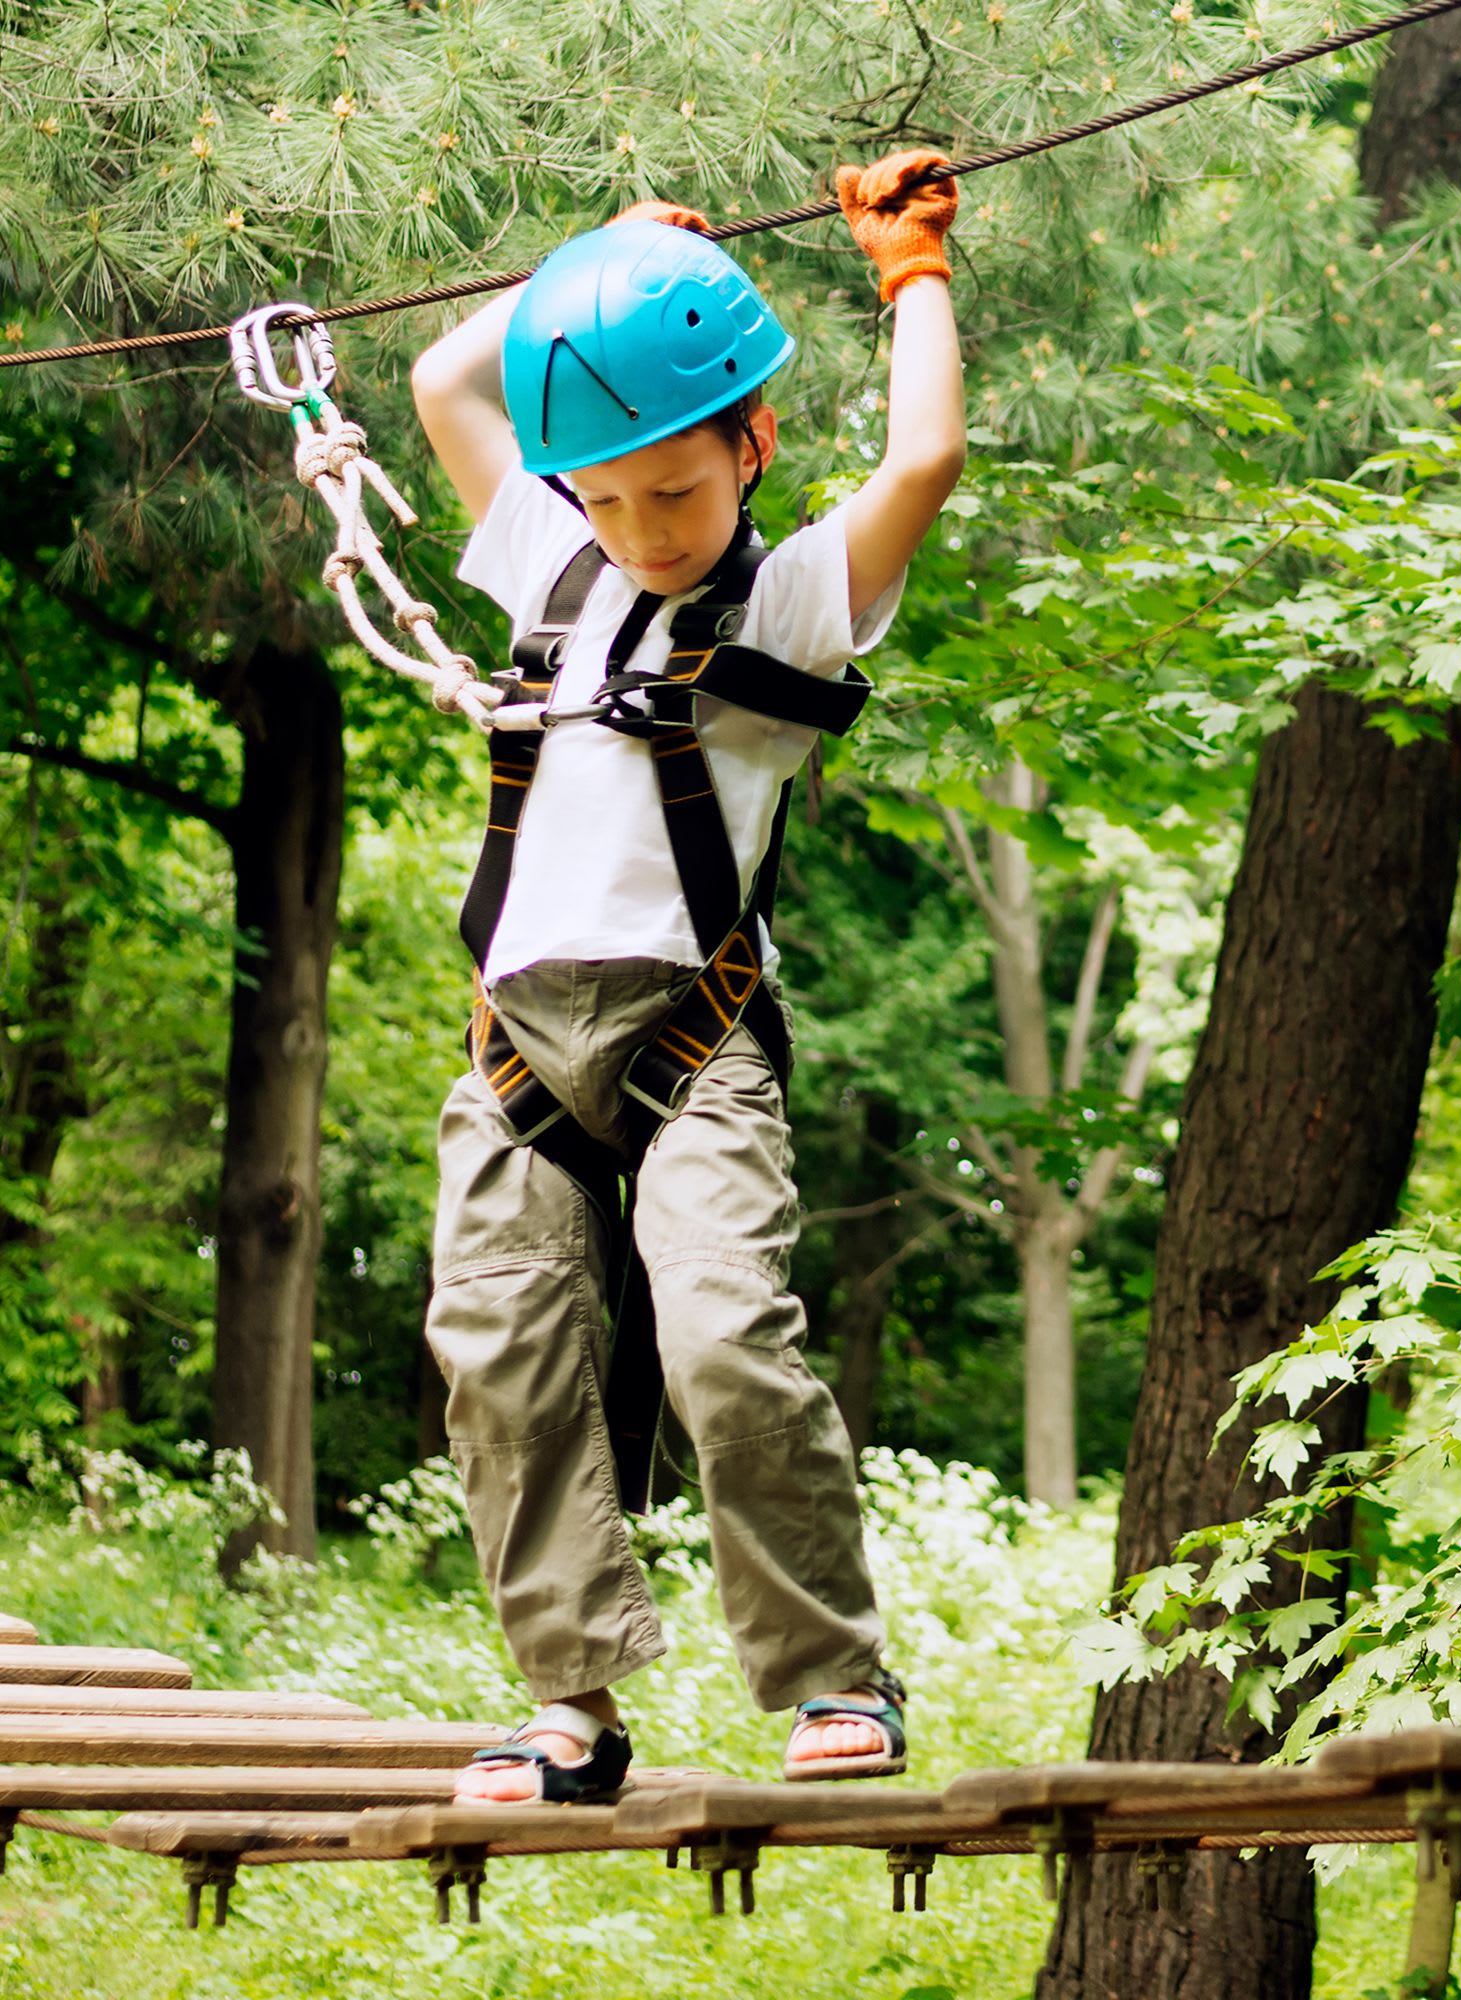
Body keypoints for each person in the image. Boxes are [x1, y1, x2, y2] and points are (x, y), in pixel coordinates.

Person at [405, 152, 964, 1804]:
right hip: (516, 1045)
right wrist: (604, 263)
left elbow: (924, 453)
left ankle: (831, 1678)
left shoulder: (792, 602)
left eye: (679, 492)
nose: (644, 530)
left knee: (724, 1335)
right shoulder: (553, 565)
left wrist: (912, 271)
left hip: (690, 1037)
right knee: (497, 1359)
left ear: (752, 448)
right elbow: (451, 377)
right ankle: (569, 1704)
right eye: (611, 496)